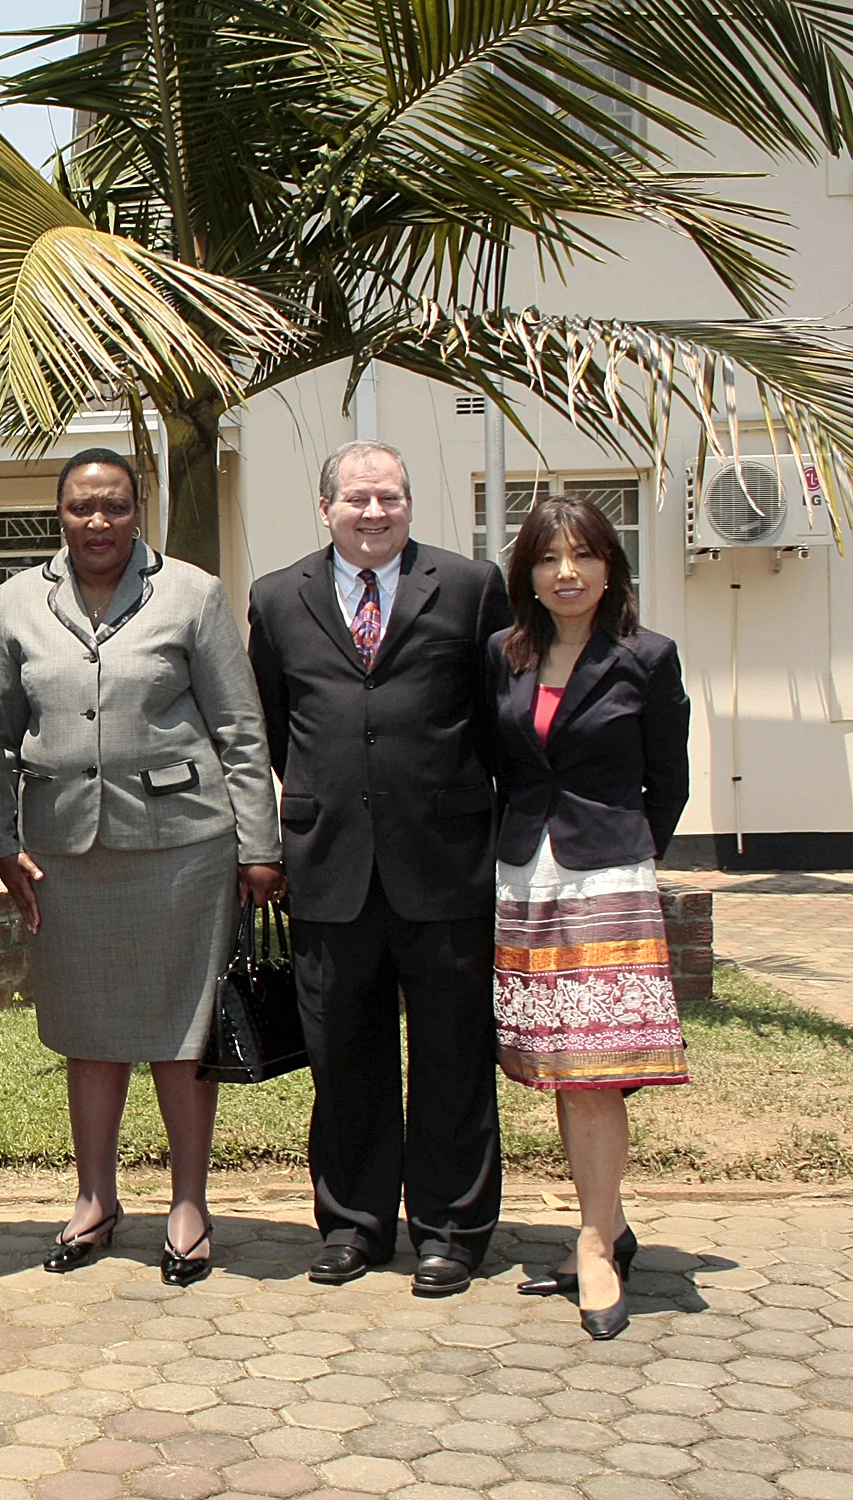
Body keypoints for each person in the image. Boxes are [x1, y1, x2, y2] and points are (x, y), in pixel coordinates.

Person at [0, 449, 284, 1285]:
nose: (98, 522)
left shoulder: (193, 593)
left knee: (183, 1034)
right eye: (82, 508)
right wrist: (1, 843)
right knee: (89, 1033)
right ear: (60, 515)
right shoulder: (13, 603)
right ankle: (95, 1199)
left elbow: (241, 729)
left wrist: (259, 845)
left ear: (136, 510)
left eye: (113, 506)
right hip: (64, 857)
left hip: (183, 848)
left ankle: (188, 1203)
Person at [247, 438, 513, 1297]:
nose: (373, 513)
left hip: (444, 868)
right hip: (329, 872)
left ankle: (451, 1231)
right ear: (324, 508)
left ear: (410, 505)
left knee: (452, 1059)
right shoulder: (277, 598)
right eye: (356, 499)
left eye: (389, 498)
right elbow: (276, 726)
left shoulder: (471, 589)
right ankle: (354, 1226)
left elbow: (494, 719)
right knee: (344, 1059)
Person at [488, 498, 690, 1340]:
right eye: (547, 558)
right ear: (526, 575)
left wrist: (627, 854)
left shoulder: (648, 657)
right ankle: (606, 1220)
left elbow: (668, 781)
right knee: (562, 1067)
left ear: (612, 565)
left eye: (583, 555)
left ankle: (596, 1244)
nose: (566, 573)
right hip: (523, 876)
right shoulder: (504, 655)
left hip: (606, 877)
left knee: (599, 1069)